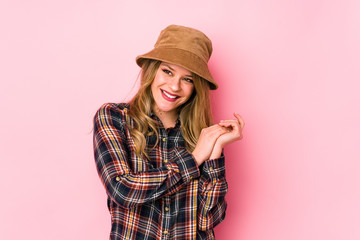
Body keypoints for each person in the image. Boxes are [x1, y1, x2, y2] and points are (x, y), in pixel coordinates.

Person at [92, 24, 245, 240]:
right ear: (152, 71)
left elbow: (208, 219)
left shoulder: (201, 138)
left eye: (187, 79)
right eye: (167, 71)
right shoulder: (114, 117)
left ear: (195, 88)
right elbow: (122, 191)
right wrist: (193, 159)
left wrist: (215, 151)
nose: (174, 86)